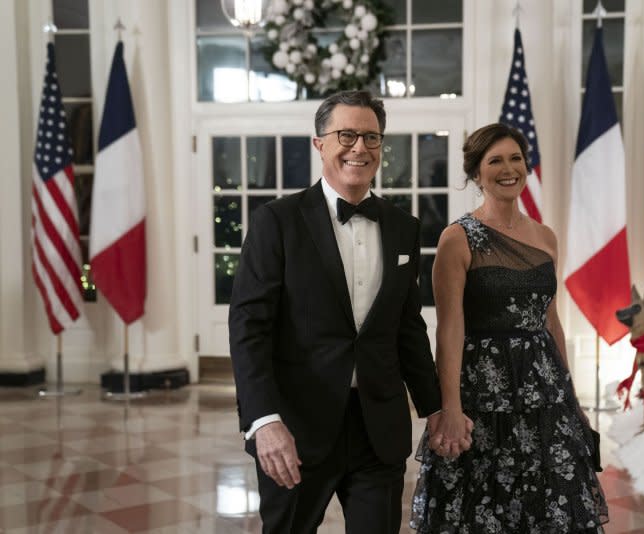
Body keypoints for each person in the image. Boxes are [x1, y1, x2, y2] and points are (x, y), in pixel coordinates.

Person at [228, 89, 470, 534]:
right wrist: (264, 420)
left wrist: (434, 406)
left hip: (378, 430)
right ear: (320, 143)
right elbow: (249, 329)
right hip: (296, 430)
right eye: (346, 135)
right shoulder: (276, 222)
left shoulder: (403, 227)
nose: (360, 147)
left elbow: (406, 328)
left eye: (371, 137)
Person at [411, 123, 609, 533]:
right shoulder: (457, 239)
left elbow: (550, 319)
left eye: (515, 158)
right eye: (495, 160)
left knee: (548, 503)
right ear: (476, 173)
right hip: (482, 395)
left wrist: (569, 396)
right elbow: (449, 330)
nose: (508, 169)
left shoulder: (545, 237)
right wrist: (450, 407)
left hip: (543, 393)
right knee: (484, 506)